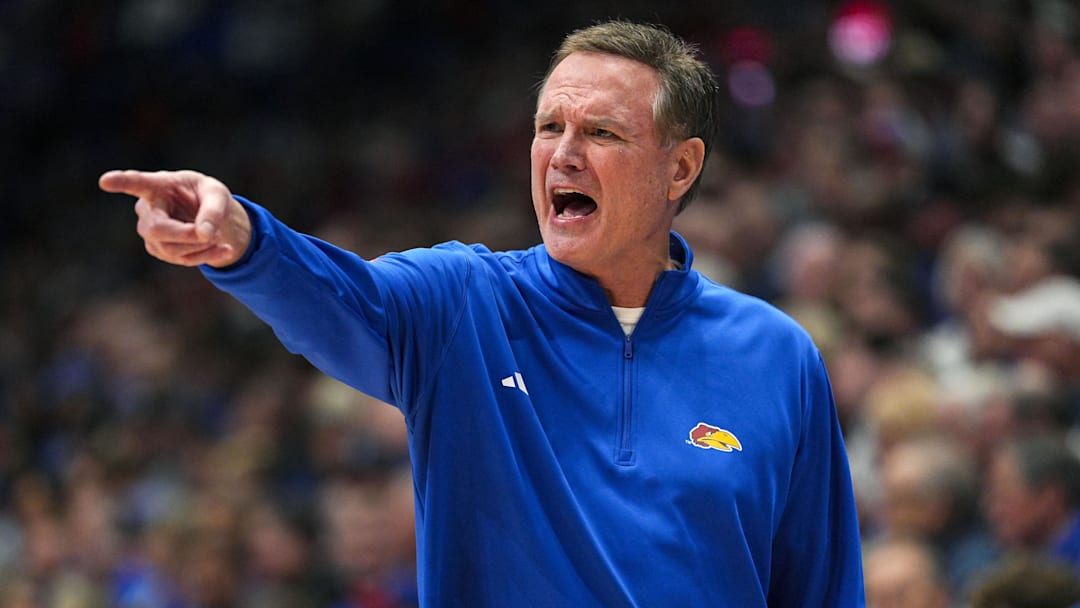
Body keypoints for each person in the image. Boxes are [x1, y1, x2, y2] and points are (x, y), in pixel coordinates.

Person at [99, 20, 864, 606]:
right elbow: (336, 298)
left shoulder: (777, 356)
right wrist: (241, 238)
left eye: (601, 133)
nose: (562, 154)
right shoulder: (461, 301)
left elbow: (823, 588)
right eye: (547, 127)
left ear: (681, 168)